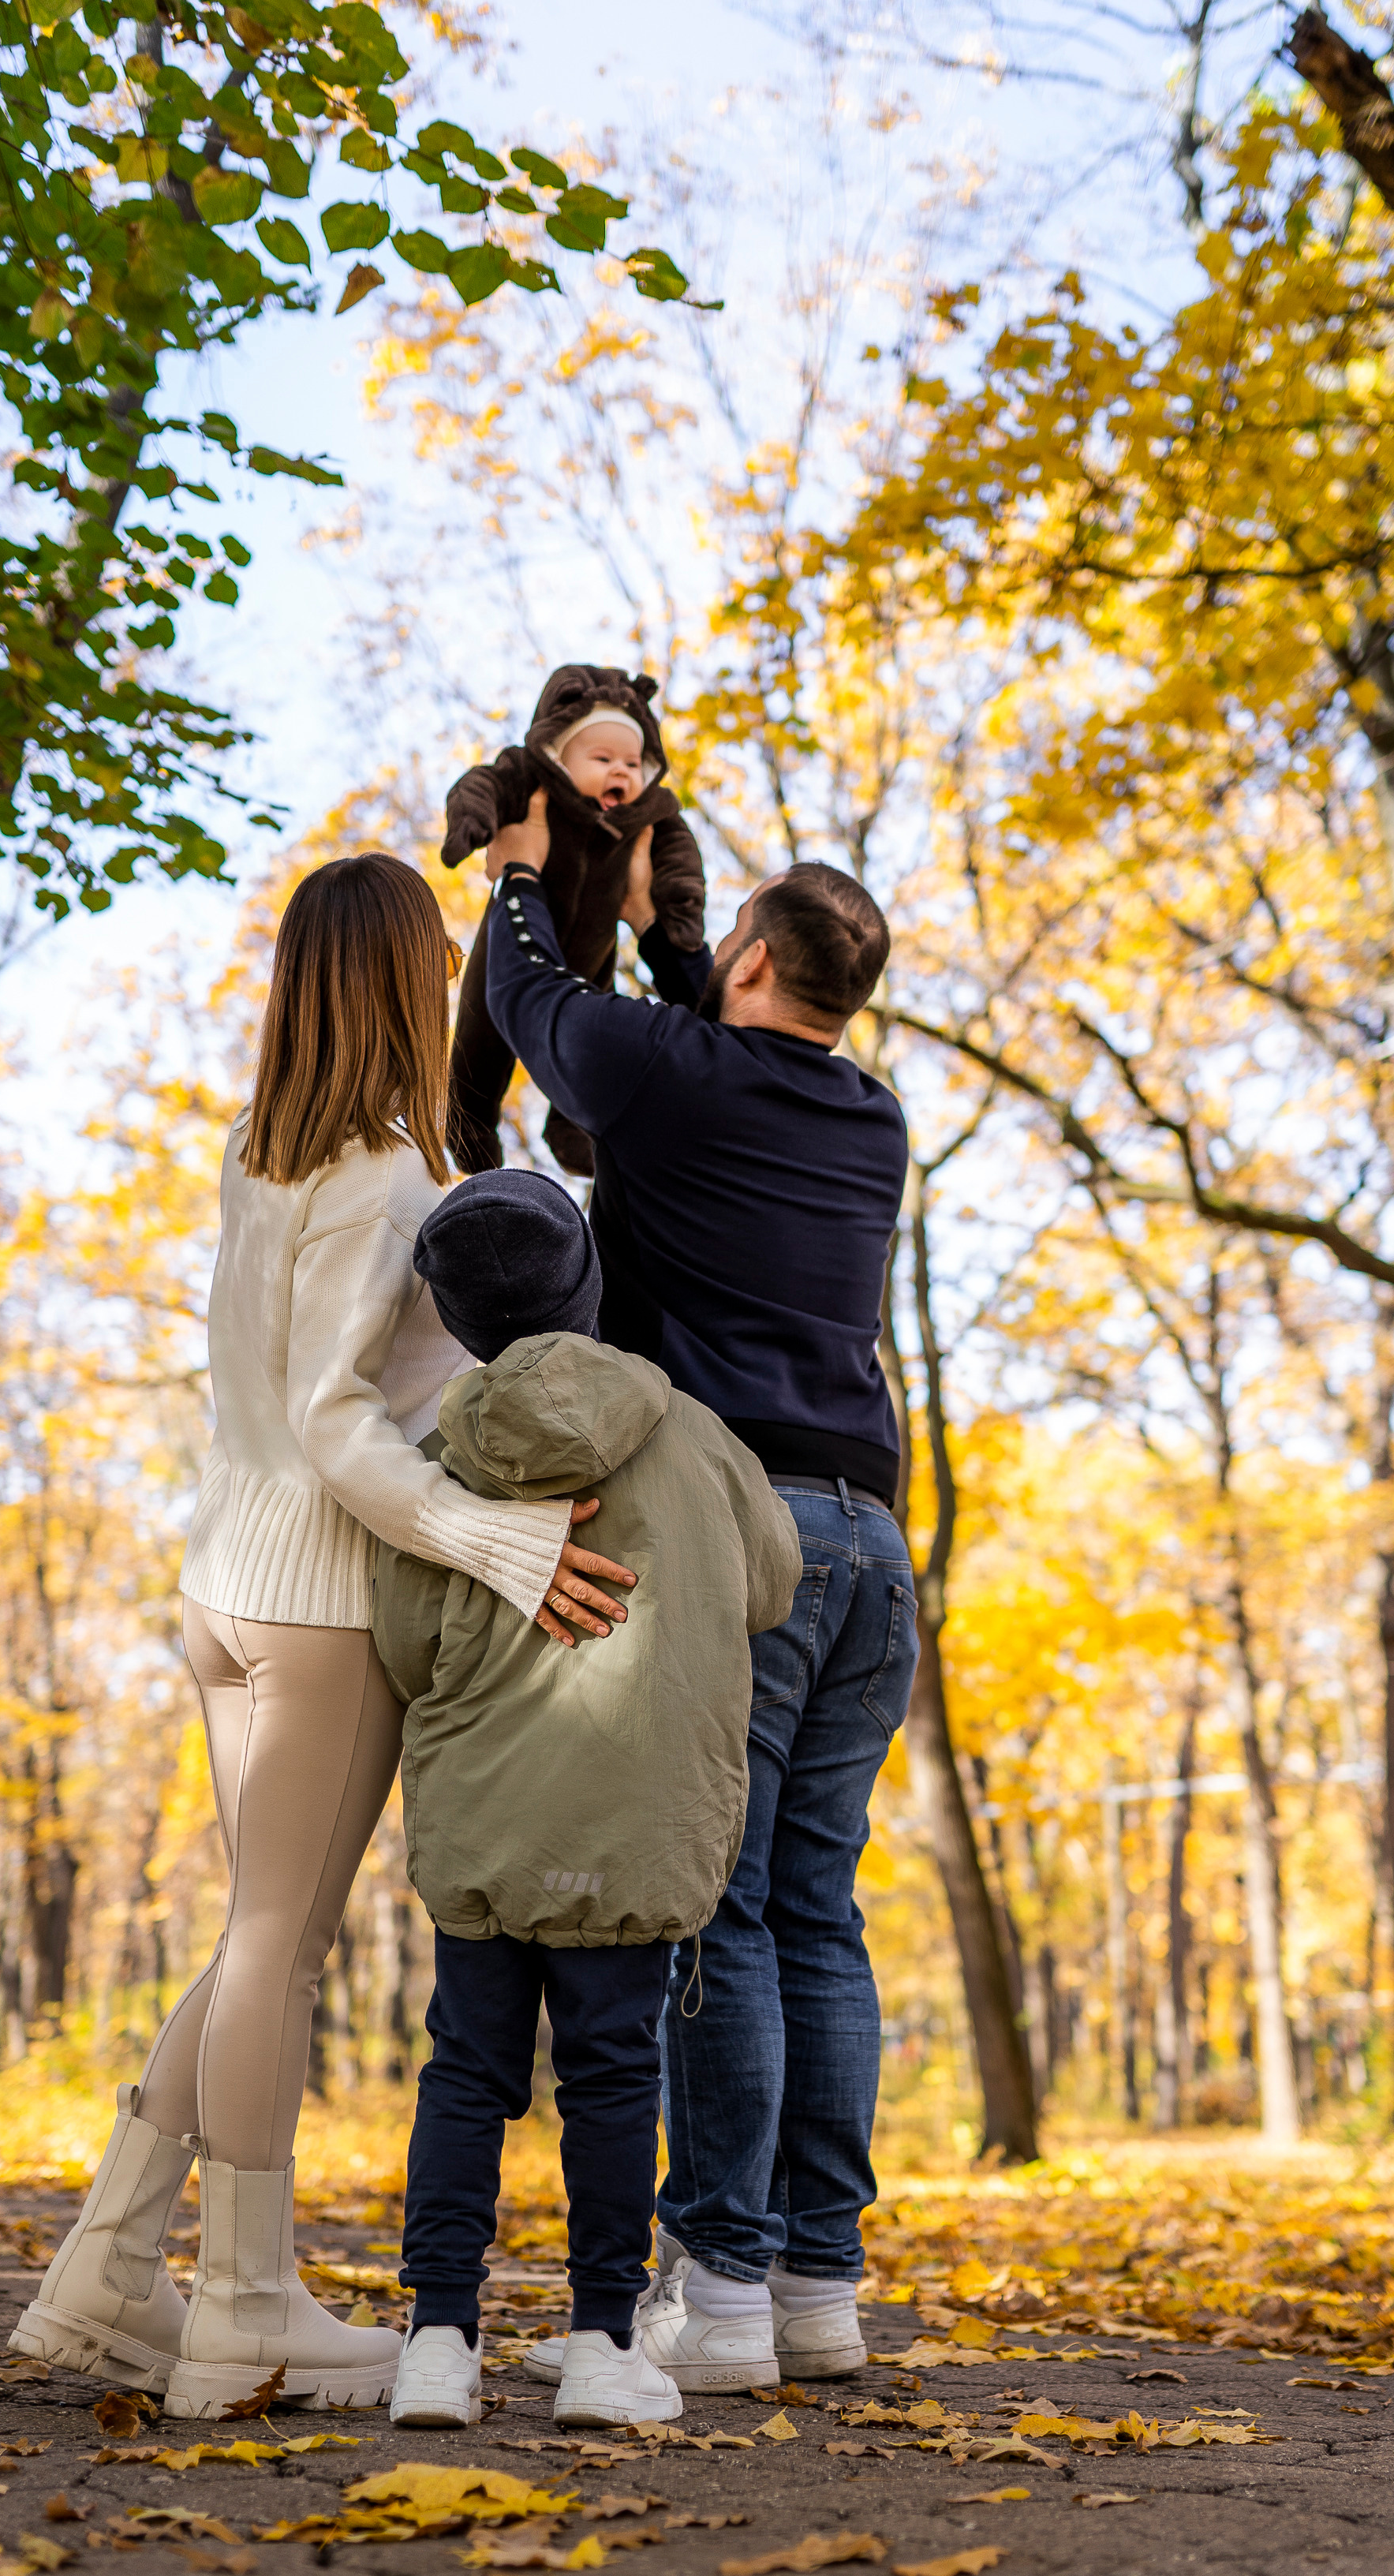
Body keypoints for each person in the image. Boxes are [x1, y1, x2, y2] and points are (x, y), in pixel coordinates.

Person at [9, 853, 637, 2422]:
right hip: (317, 1604)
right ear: (396, 985)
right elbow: (337, 1426)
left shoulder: (262, 1153)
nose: (446, 990)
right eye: (432, 967)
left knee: (252, 1940)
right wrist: (500, 1541)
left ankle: (108, 2265)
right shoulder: (384, 1184)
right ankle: (241, 2308)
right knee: (275, 1956)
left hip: (223, 1585)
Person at [482, 793, 917, 2392]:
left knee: (718, 1909)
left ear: (744, 958)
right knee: (818, 1912)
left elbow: (538, 1011)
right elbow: (683, 1056)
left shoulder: (684, 1076)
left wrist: (524, 877)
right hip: (874, 1547)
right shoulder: (866, 1116)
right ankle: (817, 2290)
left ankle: (720, 2294)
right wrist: (686, 941)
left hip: (744, 1545)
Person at [371, 1171, 802, 2430]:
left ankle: (439, 2342)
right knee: (615, 2079)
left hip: (489, 1822)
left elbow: (405, 1649)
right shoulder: (697, 1432)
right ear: (588, 1283)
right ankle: (604, 2344)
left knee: (465, 2075)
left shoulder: (439, 1465)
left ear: (453, 1320)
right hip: (643, 1823)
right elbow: (771, 1584)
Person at [439, 664, 706, 1178]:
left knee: (592, 1045)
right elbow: (481, 787)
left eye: (632, 762)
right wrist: (472, 823)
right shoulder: (532, 781)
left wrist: (676, 912)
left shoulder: (645, 815)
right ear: (559, 754)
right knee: (481, 1038)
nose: (621, 772)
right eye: (603, 758)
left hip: (592, 956)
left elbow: (680, 859)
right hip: (507, 947)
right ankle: (468, 1122)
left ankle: (571, 1126)